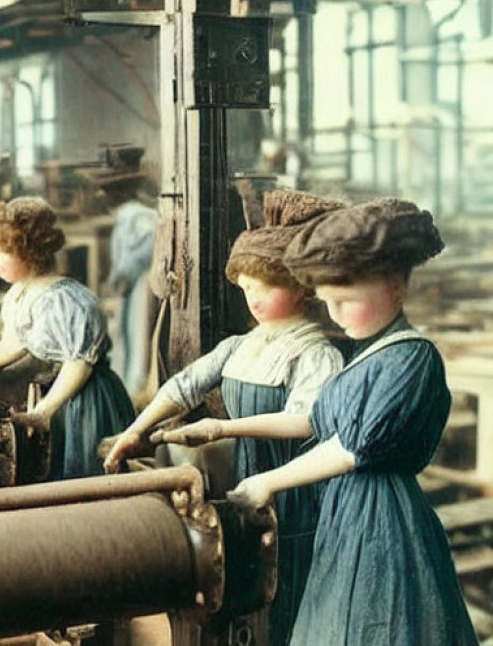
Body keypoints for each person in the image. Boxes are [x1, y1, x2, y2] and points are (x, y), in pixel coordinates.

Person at [166, 198, 478, 646]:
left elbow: (350, 448)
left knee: (377, 621)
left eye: (345, 300)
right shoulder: (365, 354)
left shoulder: (411, 357)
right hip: (344, 508)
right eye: (328, 301)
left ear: (394, 285)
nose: (333, 314)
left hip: (381, 517)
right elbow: (311, 421)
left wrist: (267, 481)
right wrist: (223, 429)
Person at [103, 189, 345, 646]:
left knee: (290, 589)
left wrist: (221, 428)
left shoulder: (316, 352)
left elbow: (306, 423)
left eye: (265, 286)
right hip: (248, 478)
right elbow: (182, 387)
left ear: (302, 287)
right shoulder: (240, 346)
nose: (252, 298)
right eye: (246, 287)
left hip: (296, 489)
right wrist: (136, 431)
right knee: (249, 594)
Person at [0, 197, 135, 480]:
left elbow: (79, 364)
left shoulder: (67, 299)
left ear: (27, 250)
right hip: (53, 396)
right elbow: (11, 347)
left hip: (85, 401)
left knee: (83, 476)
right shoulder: (19, 294)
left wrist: (45, 410)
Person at [99, 168, 158, 407]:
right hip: (130, 283)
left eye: (110, 191)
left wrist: (124, 273)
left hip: (141, 280)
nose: (106, 197)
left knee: (137, 332)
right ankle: (126, 385)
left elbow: (150, 244)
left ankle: (136, 386)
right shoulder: (126, 215)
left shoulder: (139, 215)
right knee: (125, 332)